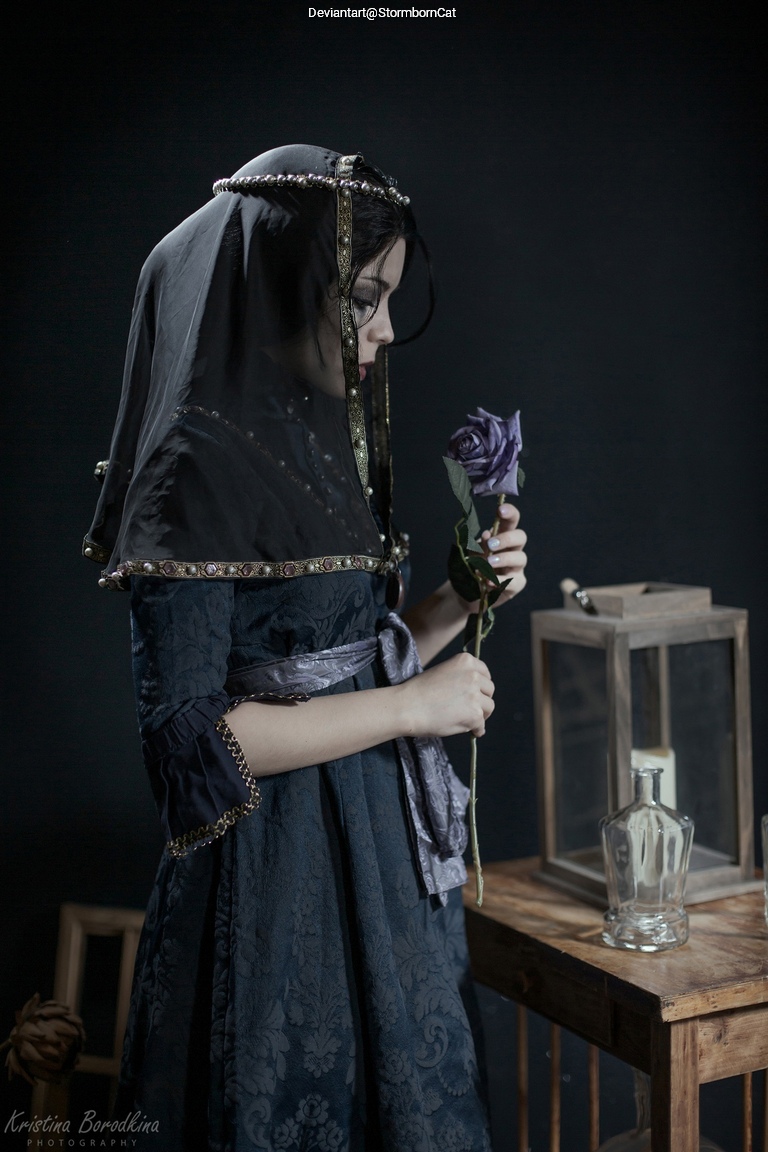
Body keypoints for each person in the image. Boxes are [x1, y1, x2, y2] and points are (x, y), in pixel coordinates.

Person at [84, 145, 527, 1152]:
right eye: (362, 300)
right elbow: (191, 746)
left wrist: (460, 598)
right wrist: (418, 708)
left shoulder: (317, 437)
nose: (378, 333)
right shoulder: (190, 467)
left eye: (386, 305)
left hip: (378, 867)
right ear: (287, 280)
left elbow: (345, 658)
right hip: (271, 882)